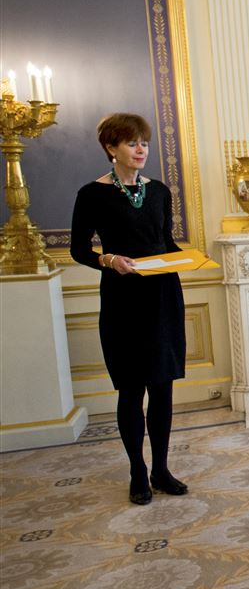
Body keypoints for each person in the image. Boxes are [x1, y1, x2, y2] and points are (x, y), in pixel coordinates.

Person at [70, 113, 189, 505]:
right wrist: (108, 260)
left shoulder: (159, 192)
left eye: (145, 143)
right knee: (132, 389)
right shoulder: (92, 194)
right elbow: (79, 250)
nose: (141, 150)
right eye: (132, 143)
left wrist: (190, 260)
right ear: (111, 148)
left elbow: (164, 242)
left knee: (163, 388)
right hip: (123, 299)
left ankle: (161, 469)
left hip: (162, 296)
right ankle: (138, 471)